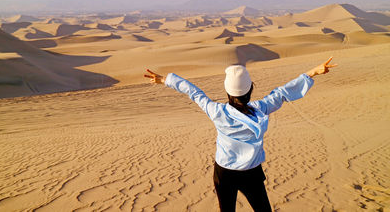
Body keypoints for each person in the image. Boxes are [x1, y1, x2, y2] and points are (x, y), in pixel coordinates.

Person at [144, 57, 337, 212]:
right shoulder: (261, 109)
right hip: (251, 172)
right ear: (250, 90)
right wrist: (312, 73)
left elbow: (194, 92)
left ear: (228, 92)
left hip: (224, 172)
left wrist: (164, 80)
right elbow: (282, 93)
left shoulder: (216, 111)